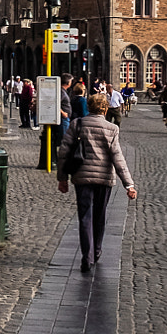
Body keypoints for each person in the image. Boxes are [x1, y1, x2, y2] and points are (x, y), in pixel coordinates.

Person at [58, 90, 137, 272]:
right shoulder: (111, 129)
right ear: (106, 108)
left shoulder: (77, 124)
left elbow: (64, 152)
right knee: (99, 216)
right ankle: (97, 250)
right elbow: (118, 158)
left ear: (89, 106)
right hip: (103, 178)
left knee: (85, 216)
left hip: (81, 177)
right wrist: (129, 184)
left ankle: (87, 256)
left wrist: (62, 178)